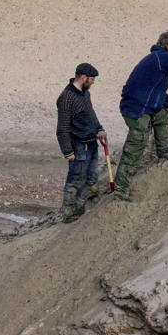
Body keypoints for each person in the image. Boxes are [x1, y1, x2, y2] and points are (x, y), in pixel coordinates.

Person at [113, 31, 168, 201]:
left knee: (161, 116)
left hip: (142, 104)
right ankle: (121, 191)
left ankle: (164, 152)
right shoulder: (162, 57)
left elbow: (158, 93)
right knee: (135, 146)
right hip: (136, 110)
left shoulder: (156, 61)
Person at [56, 62, 106, 222]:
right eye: (91, 79)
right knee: (75, 180)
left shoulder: (85, 94)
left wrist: (99, 129)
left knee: (91, 178)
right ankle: (68, 214)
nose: (93, 82)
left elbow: (91, 114)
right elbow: (62, 127)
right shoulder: (66, 97)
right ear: (83, 77)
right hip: (78, 146)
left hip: (91, 143)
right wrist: (67, 152)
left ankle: (79, 208)